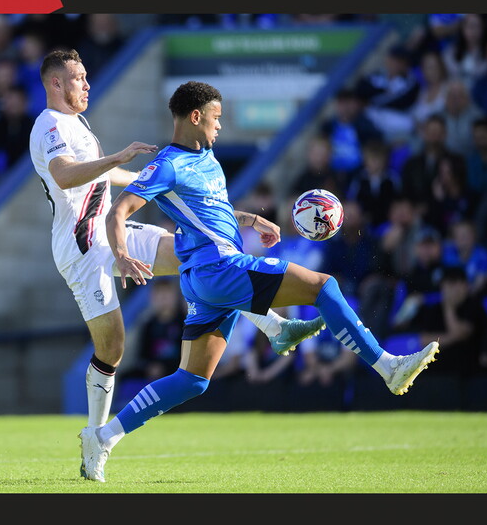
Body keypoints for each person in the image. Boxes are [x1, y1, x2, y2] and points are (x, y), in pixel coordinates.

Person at [89, 80, 441, 482]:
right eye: (217, 118)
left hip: (205, 280)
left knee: (192, 380)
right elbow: (119, 212)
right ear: (196, 116)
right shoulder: (167, 164)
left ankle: (103, 436)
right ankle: (387, 366)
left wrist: (251, 218)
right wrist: (121, 254)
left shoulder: (208, 159)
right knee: (323, 286)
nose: (220, 126)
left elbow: (212, 212)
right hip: (219, 269)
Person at [28, 52, 325, 479]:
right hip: (80, 247)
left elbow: (108, 181)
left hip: (112, 232)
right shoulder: (49, 125)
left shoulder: (77, 125)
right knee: (112, 347)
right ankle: (94, 438)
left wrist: (155, 182)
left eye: (87, 77)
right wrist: (117, 157)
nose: (87, 85)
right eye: (78, 78)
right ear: (55, 84)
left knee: (195, 249)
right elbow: (64, 175)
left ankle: (273, 325)